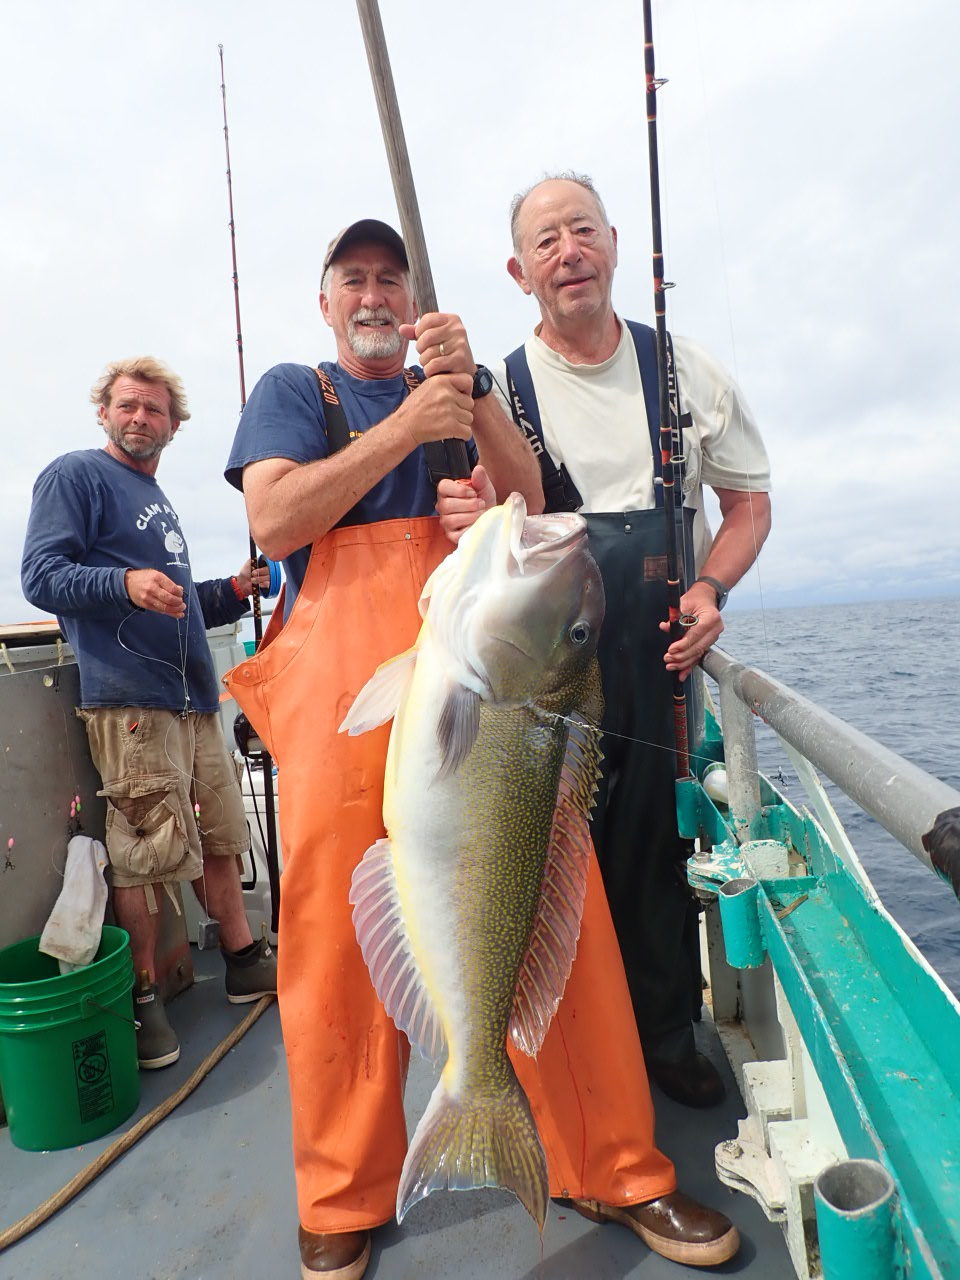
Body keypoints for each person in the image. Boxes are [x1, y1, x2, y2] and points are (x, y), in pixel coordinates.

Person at [223, 217, 741, 1279]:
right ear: (327, 302)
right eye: (352, 279)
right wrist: (409, 429)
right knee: (332, 949)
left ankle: (612, 1163)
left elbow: (533, 505)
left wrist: (473, 412)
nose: (373, 295)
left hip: (478, 676)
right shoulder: (297, 392)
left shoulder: (459, 391)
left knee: (559, 910)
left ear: (415, 300)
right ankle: (342, 1195)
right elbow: (274, 520)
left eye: (390, 278)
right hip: (347, 699)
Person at [439, 173, 772, 1111]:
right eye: (544, 242)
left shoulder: (688, 373)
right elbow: (476, 518)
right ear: (518, 270)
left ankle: (664, 1037)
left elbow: (748, 506)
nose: (567, 253)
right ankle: (558, 1061)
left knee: (653, 852)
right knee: (542, 854)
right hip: (539, 679)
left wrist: (711, 585)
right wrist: (462, 508)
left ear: (616, 243)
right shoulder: (495, 388)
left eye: (581, 230)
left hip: (658, 668)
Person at [21, 356, 278, 1071]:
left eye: (154, 411)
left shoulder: (155, 496)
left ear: (173, 424)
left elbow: (175, 595)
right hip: (128, 701)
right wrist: (125, 583)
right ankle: (144, 1001)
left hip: (194, 699)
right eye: (128, 406)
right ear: (104, 411)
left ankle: (244, 957)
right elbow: (42, 575)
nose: (140, 419)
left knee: (222, 836)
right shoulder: (76, 476)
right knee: (142, 857)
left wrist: (228, 590)